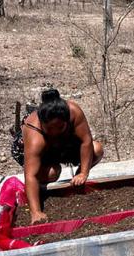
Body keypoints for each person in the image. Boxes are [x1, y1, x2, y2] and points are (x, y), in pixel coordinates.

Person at [11, 88, 104, 225]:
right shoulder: (34, 135)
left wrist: (83, 173)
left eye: (60, 127)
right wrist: (36, 212)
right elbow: (30, 175)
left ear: (67, 120)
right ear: (42, 123)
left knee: (97, 149)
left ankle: (77, 180)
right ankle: (39, 191)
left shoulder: (74, 112)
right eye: (49, 128)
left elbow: (86, 141)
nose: (54, 132)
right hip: (33, 151)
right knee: (52, 173)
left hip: (63, 146)